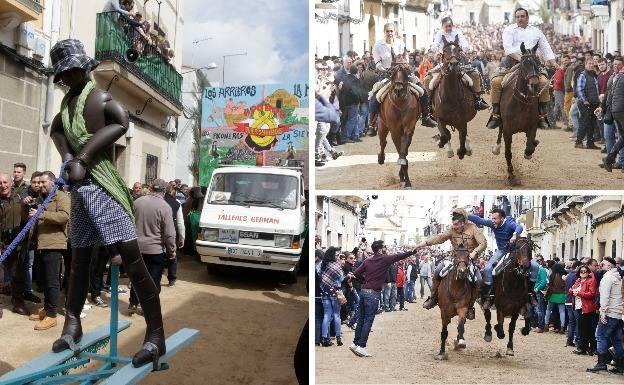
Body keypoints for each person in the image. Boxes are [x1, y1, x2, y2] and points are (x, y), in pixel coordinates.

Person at [48, 39, 166, 368]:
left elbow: (121, 121)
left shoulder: (97, 96)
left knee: (132, 259)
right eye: (64, 74)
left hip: (102, 185)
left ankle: (157, 334)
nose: (69, 77)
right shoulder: (66, 107)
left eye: (73, 70)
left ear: (82, 68)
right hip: (81, 190)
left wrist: (84, 155)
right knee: (80, 259)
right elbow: (57, 130)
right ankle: (73, 324)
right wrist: (68, 156)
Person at [487, 8, 556, 129]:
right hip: (511, 62)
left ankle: (542, 115)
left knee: (544, 82)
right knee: (496, 82)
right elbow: (508, 49)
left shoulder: (536, 31)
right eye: (517, 16)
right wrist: (522, 59)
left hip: (533, 64)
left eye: (522, 16)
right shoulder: (509, 30)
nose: (520, 18)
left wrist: (555, 64)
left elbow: (546, 49)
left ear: (527, 17)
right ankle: (496, 114)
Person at [415, 208, 486, 320]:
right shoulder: (451, 229)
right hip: (454, 259)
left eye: (456, 224)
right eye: (453, 224)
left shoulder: (473, 229)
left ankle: (471, 306)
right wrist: (422, 244)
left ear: (463, 223)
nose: (454, 226)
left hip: (469, 260)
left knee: (479, 280)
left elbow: (483, 243)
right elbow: (439, 238)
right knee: (437, 271)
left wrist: (475, 252)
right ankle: (433, 299)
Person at [350, 240, 417, 357]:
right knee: (368, 320)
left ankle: (355, 344)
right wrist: (414, 250)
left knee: (361, 319)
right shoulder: (385, 259)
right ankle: (361, 346)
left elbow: (356, 273)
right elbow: (400, 255)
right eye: (384, 247)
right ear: (380, 249)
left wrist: (365, 281)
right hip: (373, 293)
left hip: (364, 291)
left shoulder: (367, 260)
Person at [368, 23, 436, 129]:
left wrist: (405, 65)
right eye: (388, 31)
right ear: (384, 32)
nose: (390, 33)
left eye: (391, 31)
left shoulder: (400, 42)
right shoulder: (378, 45)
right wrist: (383, 69)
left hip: (403, 74)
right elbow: (377, 63)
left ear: (394, 32)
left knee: (423, 91)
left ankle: (426, 117)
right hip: (387, 74)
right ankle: (372, 124)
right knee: (376, 96)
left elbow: (406, 58)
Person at [468, 208, 537, 309]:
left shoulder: (509, 223)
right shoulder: (493, 224)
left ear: (502, 218)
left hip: (515, 251)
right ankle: (490, 296)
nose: (492, 220)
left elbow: (519, 227)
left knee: (535, 266)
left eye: (495, 218)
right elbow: (479, 220)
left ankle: (531, 293)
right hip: (501, 251)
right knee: (487, 269)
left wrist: (514, 235)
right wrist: (465, 214)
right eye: (492, 218)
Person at [27, 171, 69, 330]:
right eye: (39, 182)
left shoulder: (61, 197)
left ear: (52, 182)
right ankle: (46, 308)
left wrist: (41, 214)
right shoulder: (40, 198)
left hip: (54, 244)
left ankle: (52, 315)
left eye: (44, 182)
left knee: (52, 281)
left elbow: (64, 216)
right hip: (40, 244)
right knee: (43, 281)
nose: (40, 185)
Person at [129, 179, 176, 318]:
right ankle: (147, 307)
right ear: (165, 190)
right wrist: (171, 251)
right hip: (155, 251)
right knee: (153, 280)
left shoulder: (137, 202)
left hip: (136, 248)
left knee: (137, 277)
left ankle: (133, 302)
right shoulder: (165, 207)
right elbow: (169, 234)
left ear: (151, 188)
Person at [425, 17, 489, 110]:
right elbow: (435, 44)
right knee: (428, 81)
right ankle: (428, 104)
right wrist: (437, 51)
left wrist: (464, 50)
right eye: (446, 26)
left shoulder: (457, 32)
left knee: (473, 77)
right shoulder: (440, 33)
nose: (448, 28)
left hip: (458, 63)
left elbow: (464, 43)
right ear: (442, 26)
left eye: (450, 26)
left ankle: (477, 100)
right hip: (444, 63)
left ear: (452, 25)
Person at [587, 257, 623, 373]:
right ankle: (620, 366)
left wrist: (603, 312)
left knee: (601, 336)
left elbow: (605, 297)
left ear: (609, 267)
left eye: (602, 264)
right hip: (617, 313)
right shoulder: (617, 277)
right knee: (617, 340)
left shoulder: (608, 278)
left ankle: (601, 363)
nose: (599, 266)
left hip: (610, 313)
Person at [0, 172, 28, 316]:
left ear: (11, 183)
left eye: (5, 182)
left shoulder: (19, 199)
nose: (3, 186)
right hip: (1, 242)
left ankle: (18, 303)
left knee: (17, 275)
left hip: (16, 242)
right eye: (0, 183)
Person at [318, 247, 345, 347]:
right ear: (332, 255)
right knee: (336, 315)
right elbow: (341, 278)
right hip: (335, 293)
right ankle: (338, 337)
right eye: (337, 255)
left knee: (326, 315)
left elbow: (320, 276)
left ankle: (324, 338)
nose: (338, 256)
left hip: (325, 293)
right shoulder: (336, 266)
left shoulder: (322, 265)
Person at [601, 56, 624, 171]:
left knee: (622, 136)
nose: (616, 66)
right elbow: (608, 95)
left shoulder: (617, 77)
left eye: (618, 64)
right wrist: (603, 108)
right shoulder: (616, 77)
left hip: (616, 111)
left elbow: (609, 95)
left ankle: (610, 159)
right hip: (619, 111)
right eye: (615, 64)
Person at [569, 264, 597, 355]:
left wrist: (579, 293)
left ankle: (586, 348)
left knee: (587, 329)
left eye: (585, 271)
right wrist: (572, 291)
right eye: (581, 271)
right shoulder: (578, 280)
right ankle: (585, 348)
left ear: (588, 272)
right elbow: (572, 289)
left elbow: (592, 294)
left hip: (587, 308)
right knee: (582, 329)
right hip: (578, 306)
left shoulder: (591, 280)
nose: (583, 273)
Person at [574, 58, 601, 150]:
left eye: (592, 64)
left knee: (592, 124)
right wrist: (585, 101)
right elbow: (579, 89)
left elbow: (596, 90)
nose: (591, 65)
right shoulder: (583, 75)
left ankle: (590, 143)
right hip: (585, 103)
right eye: (589, 63)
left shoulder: (593, 75)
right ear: (585, 65)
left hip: (594, 103)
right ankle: (578, 142)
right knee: (584, 122)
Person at [544, 261, 567, 333]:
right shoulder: (564, 275)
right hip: (562, 295)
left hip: (552, 295)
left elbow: (549, 286)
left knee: (548, 310)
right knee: (562, 311)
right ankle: (562, 327)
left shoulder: (552, 275)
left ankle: (546, 325)